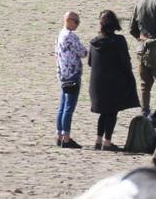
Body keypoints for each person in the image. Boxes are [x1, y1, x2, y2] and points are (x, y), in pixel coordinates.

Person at [88, 9, 139, 151]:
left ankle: (98, 140)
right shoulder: (119, 41)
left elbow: (90, 62)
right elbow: (125, 63)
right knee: (112, 113)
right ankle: (107, 142)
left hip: (97, 84)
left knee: (104, 112)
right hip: (114, 83)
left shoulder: (94, 42)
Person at [54, 11, 88, 149]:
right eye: (76, 21)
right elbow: (83, 52)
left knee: (62, 107)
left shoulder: (60, 35)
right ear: (68, 20)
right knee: (68, 108)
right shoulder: (70, 36)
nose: (77, 25)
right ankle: (66, 138)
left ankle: (59, 136)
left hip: (62, 74)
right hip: (72, 74)